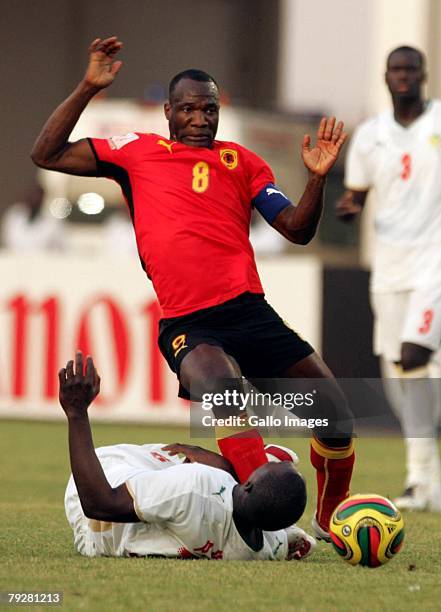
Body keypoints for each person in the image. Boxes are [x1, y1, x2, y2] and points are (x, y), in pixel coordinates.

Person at [32, 36, 353, 538]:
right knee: (219, 389)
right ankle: (262, 514)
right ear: (168, 112)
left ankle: (332, 516)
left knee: (335, 414)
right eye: (188, 109)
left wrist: (316, 180)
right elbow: (46, 153)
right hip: (190, 321)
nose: (200, 119)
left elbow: (295, 227)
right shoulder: (137, 152)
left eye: (208, 109)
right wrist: (88, 88)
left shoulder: (243, 163)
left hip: (250, 312)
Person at [61, 352, 315, 560]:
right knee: (197, 463)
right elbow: (275, 530)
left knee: (180, 458)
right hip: (168, 523)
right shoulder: (269, 548)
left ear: (247, 484)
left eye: (256, 470)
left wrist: (77, 413)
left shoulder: (195, 487)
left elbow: (98, 504)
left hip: (94, 509)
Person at [337, 46, 441, 511]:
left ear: (423, 75)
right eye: (396, 70)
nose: (404, 77)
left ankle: (421, 479)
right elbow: (357, 193)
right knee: (400, 377)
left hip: (434, 263)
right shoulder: (369, 136)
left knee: (414, 353)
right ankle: (425, 480)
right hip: (389, 267)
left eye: (411, 70)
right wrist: (348, 206)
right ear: (386, 77)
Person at [1, 183, 65, 251]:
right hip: (14, 259)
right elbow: (5, 242)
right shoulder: (13, 215)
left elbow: (60, 247)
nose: (35, 199)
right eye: (32, 196)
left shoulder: (53, 221)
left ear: (43, 198)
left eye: (38, 196)